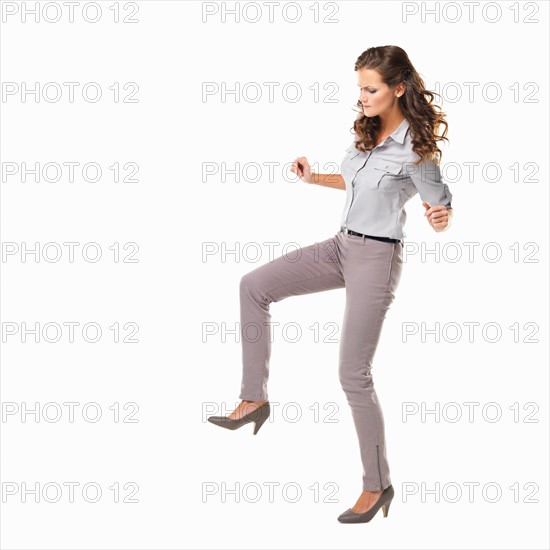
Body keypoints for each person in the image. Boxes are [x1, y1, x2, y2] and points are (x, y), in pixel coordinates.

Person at [207, 45, 454, 524]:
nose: (361, 96)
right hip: (340, 246)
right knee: (252, 286)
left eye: (370, 88)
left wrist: (440, 218)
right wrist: (312, 177)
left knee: (352, 374)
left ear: (397, 88)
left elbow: (438, 209)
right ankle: (253, 398)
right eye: (359, 87)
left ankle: (376, 484)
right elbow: (354, 182)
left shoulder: (417, 151)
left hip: (377, 259)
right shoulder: (366, 132)